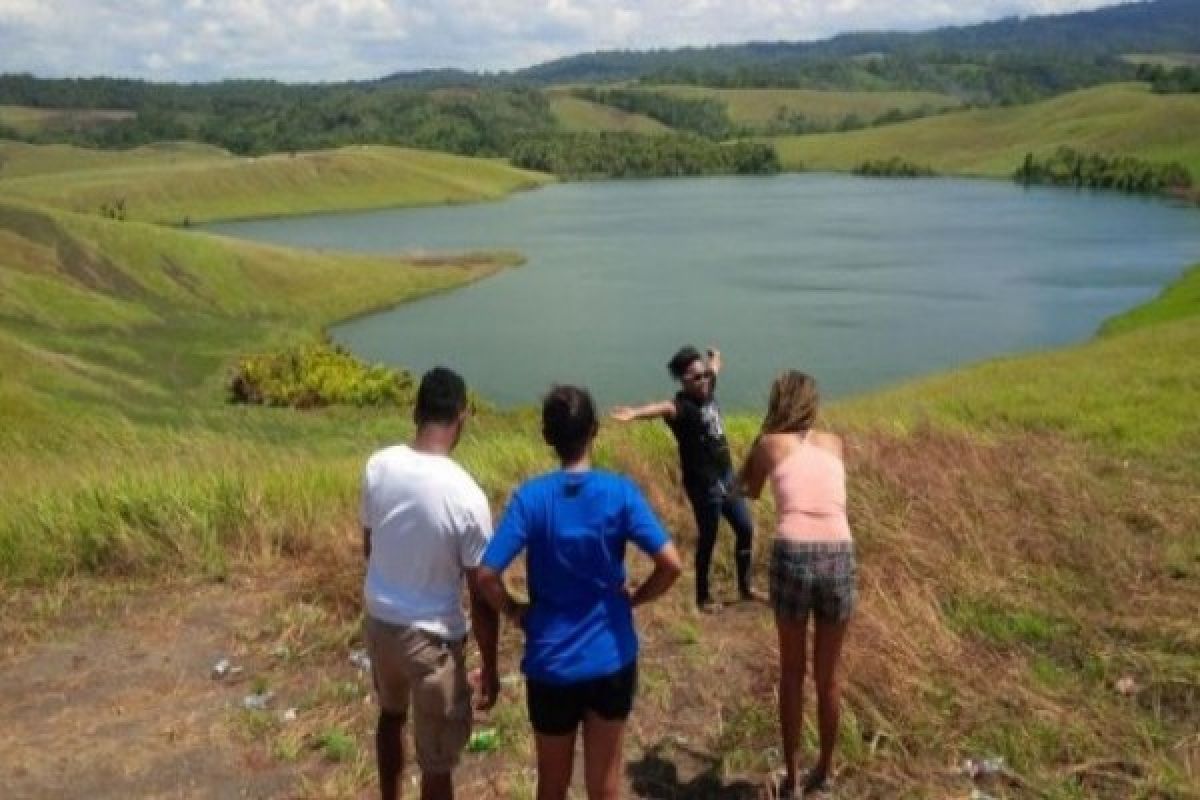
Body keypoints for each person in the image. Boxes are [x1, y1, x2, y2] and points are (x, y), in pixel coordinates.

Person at [476, 385, 682, 800]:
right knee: (604, 787)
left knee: (551, 786)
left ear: (548, 436)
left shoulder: (531, 498)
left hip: (550, 661)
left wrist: (515, 612)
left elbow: (485, 575)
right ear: (594, 431)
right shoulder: (620, 492)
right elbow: (672, 564)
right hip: (610, 657)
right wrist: (636, 598)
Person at [360, 366, 501, 800]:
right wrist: (491, 666)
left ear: (416, 410)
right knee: (437, 760)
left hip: (381, 624)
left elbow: (370, 546)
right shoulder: (466, 494)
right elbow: (481, 595)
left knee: (390, 717)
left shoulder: (378, 466)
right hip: (432, 642)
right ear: (463, 416)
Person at [737, 371, 856, 797]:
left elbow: (744, 490)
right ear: (812, 404)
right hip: (839, 551)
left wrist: (757, 444)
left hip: (793, 552)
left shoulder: (769, 444)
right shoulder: (835, 442)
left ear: (778, 402)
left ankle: (790, 774)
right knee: (829, 677)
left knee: (791, 673)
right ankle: (825, 769)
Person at [610, 345, 756, 612]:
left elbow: (714, 369)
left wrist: (715, 357)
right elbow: (662, 407)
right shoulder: (682, 408)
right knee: (708, 538)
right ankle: (703, 597)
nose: (703, 381)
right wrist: (635, 413)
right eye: (695, 378)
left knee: (745, 528)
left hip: (727, 477)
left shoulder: (708, 385)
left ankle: (746, 588)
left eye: (704, 376)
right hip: (704, 485)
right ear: (683, 382)